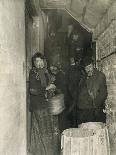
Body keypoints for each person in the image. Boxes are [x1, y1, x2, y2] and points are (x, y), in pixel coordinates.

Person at [29, 52, 59, 155]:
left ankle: (45, 152)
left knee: (45, 130)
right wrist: (47, 88)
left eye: (40, 60)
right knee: (41, 131)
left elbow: (48, 87)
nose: (39, 63)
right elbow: (33, 90)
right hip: (38, 106)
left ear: (43, 61)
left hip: (46, 105)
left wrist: (52, 88)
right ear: (34, 63)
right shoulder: (33, 73)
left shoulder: (45, 72)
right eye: (36, 61)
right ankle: (42, 152)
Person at [77, 57, 107, 124]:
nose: (88, 69)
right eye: (86, 68)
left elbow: (103, 93)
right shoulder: (84, 77)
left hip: (93, 110)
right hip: (83, 110)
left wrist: (95, 105)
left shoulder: (100, 76)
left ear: (93, 65)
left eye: (90, 67)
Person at [64, 49, 84, 128]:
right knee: (74, 110)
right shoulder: (74, 69)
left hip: (74, 92)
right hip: (73, 92)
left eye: (72, 58)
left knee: (74, 110)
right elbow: (69, 82)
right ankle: (74, 124)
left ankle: (74, 124)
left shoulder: (74, 69)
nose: (71, 60)